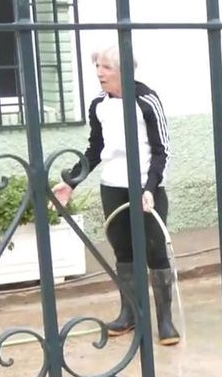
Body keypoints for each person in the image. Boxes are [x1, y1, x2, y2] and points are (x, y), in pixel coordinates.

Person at [53, 45, 180, 346]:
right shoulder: (99, 104)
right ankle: (130, 314)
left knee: (155, 250)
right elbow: (94, 149)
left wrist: (149, 188)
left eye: (106, 67)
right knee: (123, 251)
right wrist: (72, 182)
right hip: (112, 186)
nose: (99, 73)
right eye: (98, 66)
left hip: (146, 188)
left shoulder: (146, 101)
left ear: (124, 71)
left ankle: (165, 321)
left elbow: (162, 151)